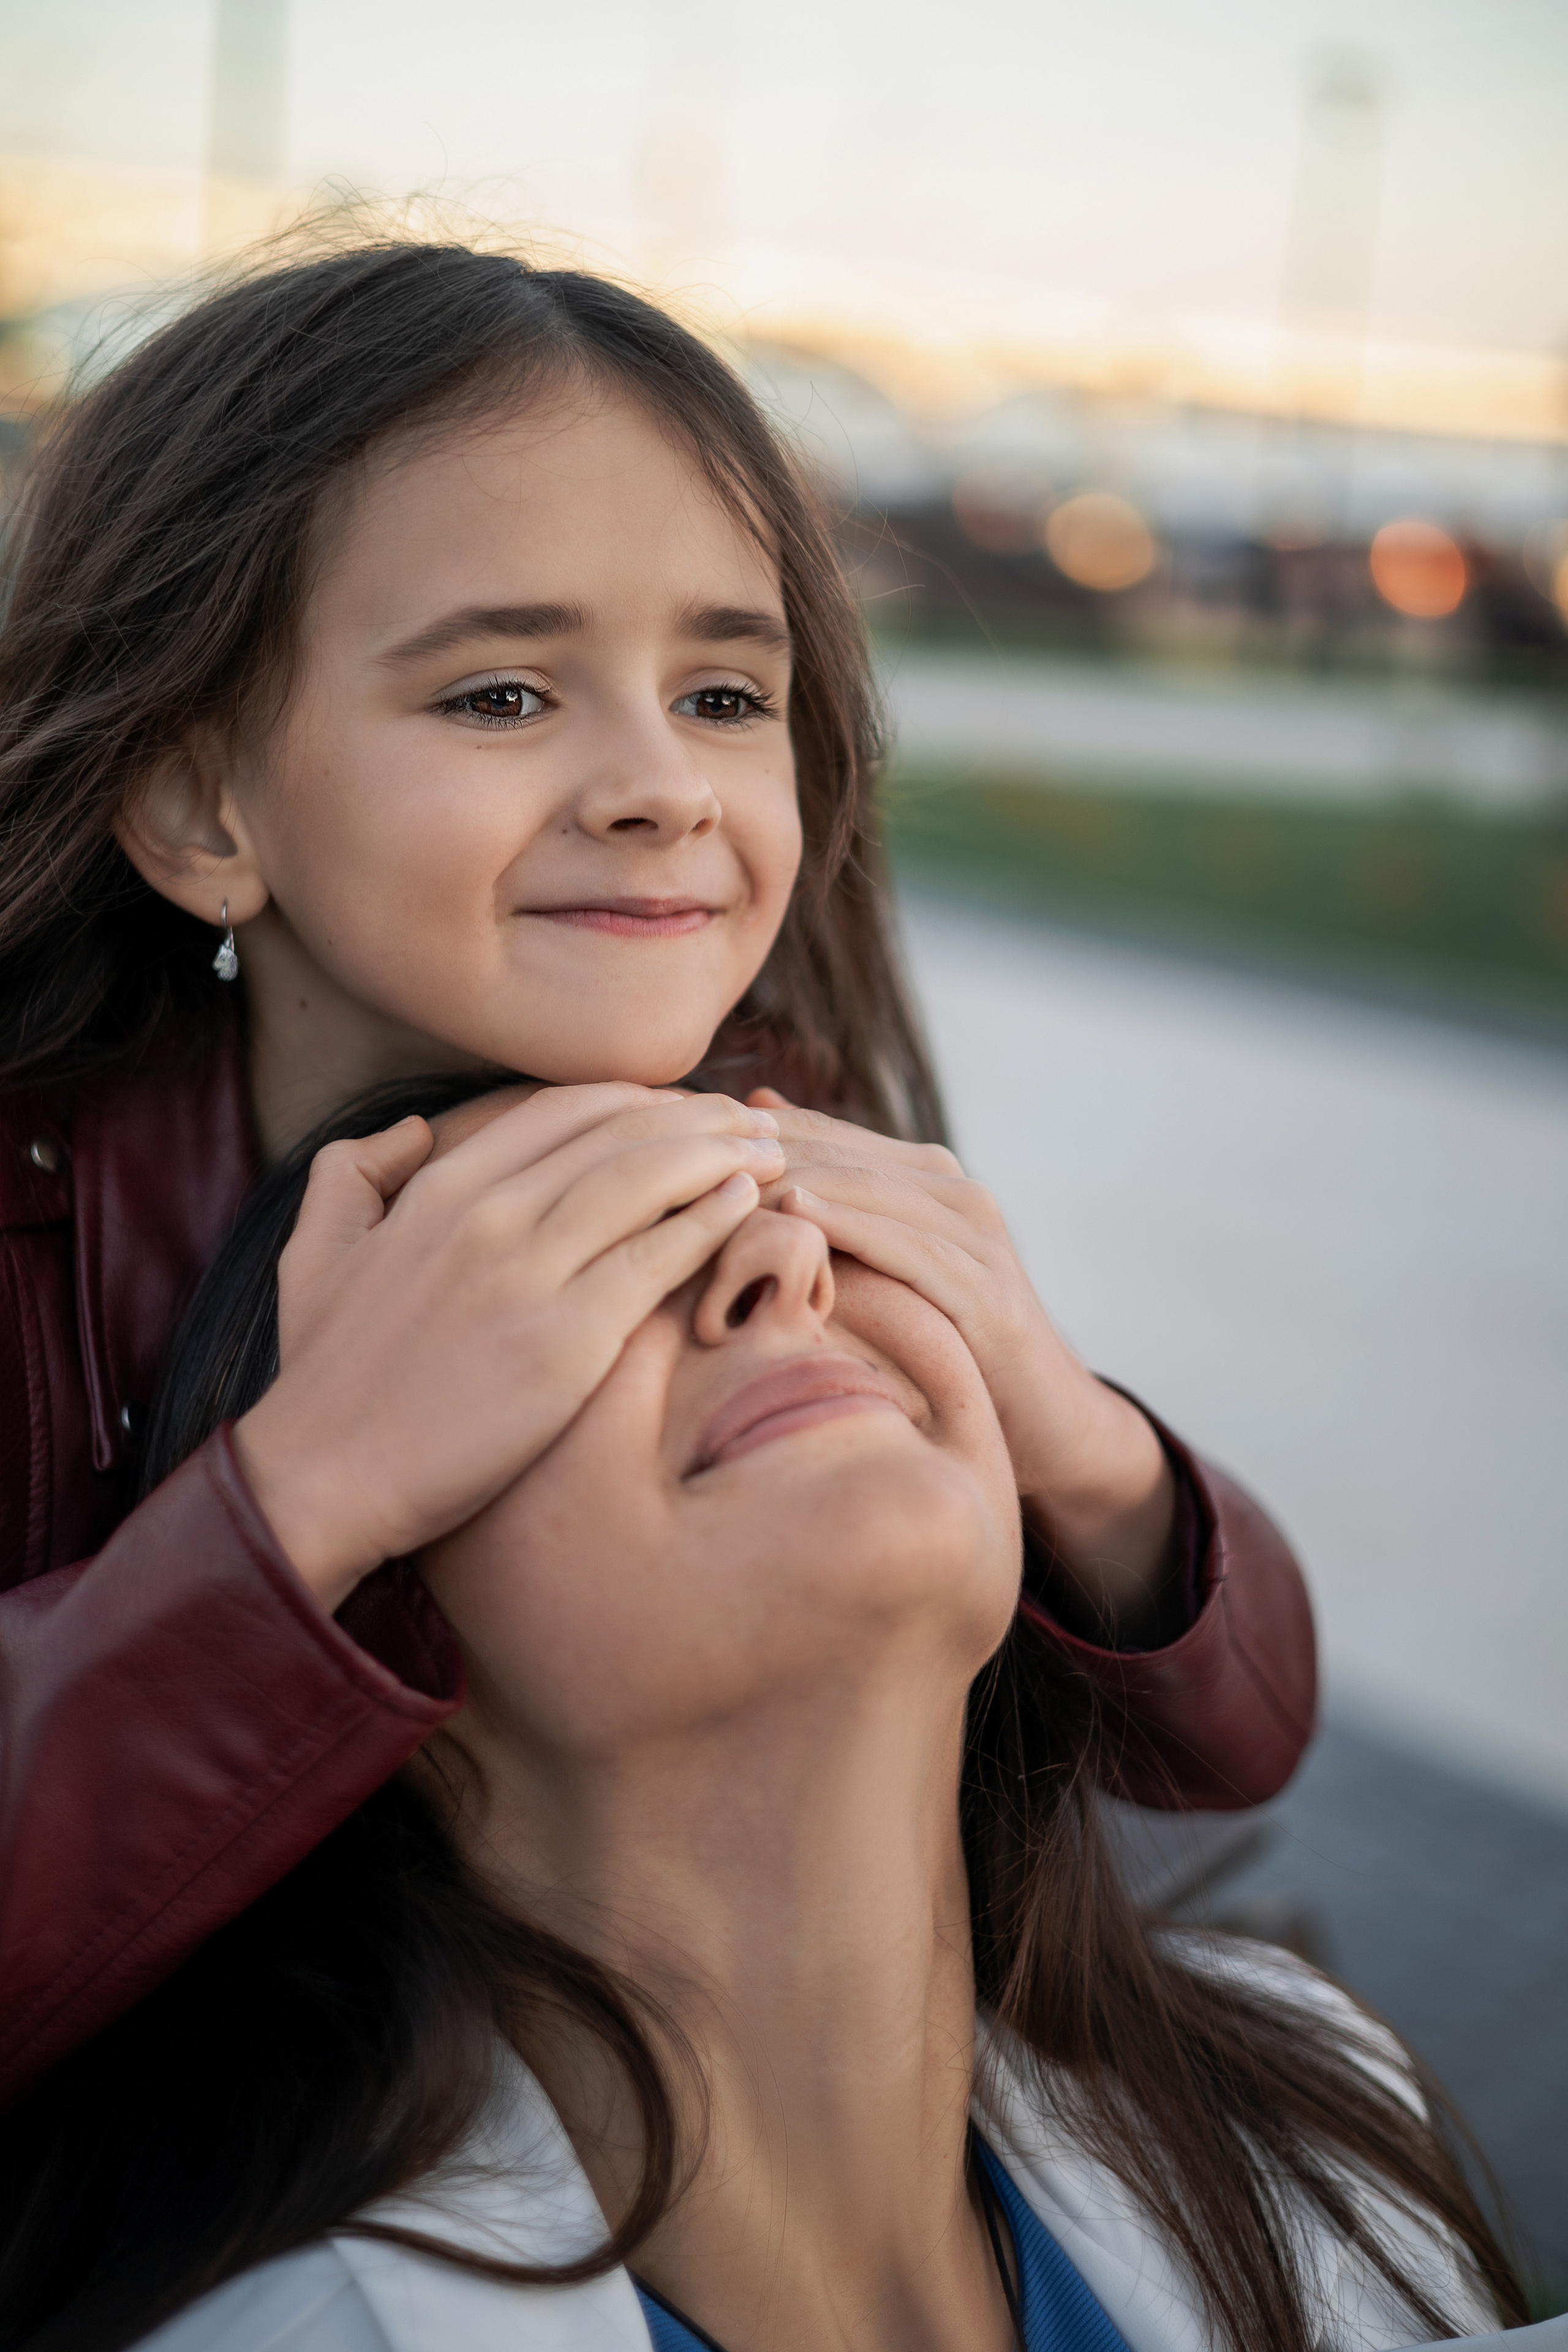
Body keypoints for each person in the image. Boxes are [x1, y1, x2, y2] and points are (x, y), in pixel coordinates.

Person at [0, 236, 1312, 2111]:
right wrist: (308, 1496)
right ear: (204, 804)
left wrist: (1073, 1435)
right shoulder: (29, 1229)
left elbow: (1228, 1743)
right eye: (501, 697)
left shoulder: (794, 1147)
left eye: (721, 697)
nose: (662, 786)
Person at [0, 1080, 1519, 2352]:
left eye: (796, 1206)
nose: (784, 1266)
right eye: (575, 1269)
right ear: (343, 1624)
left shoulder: (1332, 2119)